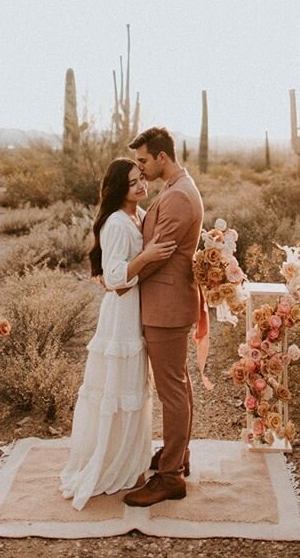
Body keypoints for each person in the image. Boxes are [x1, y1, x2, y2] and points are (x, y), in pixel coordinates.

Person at [60, 157, 176, 511]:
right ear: (117, 189)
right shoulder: (115, 223)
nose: (141, 185)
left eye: (141, 177)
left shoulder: (137, 216)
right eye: (132, 182)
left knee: (132, 388)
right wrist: (147, 257)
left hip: (136, 311)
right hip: (120, 316)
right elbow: (113, 279)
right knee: (117, 387)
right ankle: (111, 463)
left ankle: (130, 460)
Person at [123, 127, 204, 508]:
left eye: (142, 161)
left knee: (171, 388)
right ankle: (178, 455)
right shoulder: (177, 189)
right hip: (166, 301)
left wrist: (122, 280)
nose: (139, 169)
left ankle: (170, 477)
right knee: (177, 384)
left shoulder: (177, 198)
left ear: (161, 157)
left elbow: (160, 256)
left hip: (166, 303)